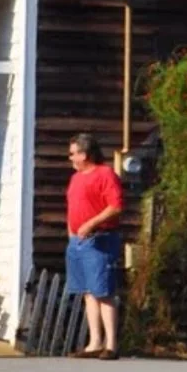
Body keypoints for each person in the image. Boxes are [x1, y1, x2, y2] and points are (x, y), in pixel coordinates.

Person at [66, 131, 126, 359]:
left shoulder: (105, 174)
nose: (70, 158)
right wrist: (71, 232)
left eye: (73, 154)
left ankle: (111, 344)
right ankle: (94, 342)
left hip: (100, 238)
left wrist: (91, 224)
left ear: (85, 154)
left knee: (103, 291)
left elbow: (115, 206)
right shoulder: (75, 178)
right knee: (88, 292)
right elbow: (73, 207)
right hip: (77, 241)